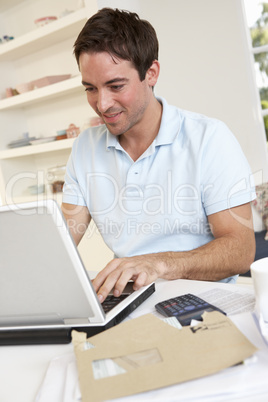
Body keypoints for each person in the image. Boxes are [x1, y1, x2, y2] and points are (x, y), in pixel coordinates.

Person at [61, 7, 256, 303]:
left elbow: (241, 250)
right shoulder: (85, 148)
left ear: (151, 73)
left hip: (206, 300)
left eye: (115, 86)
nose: (101, 104)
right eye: (90, 88)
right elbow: (63, 240)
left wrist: (159, 264)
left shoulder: (209, 139)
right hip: (129, 299)